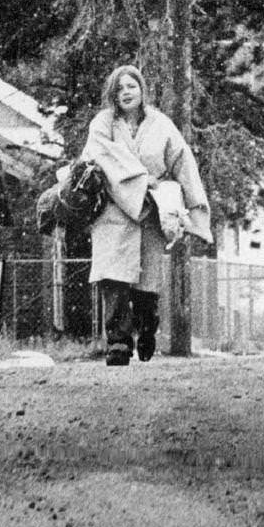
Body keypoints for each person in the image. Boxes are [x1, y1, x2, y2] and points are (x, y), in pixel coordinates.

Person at [82, 63, 211, 365]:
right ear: (112, 94)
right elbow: (99, 156)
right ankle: (118, 342)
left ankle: (147, 330)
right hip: (112, 209)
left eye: (132, 86)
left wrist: (195, 209)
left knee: (145, 282)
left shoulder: (161, 124)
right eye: (120, 88)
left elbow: (182, 163)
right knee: (113, 278)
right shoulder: (103, 123)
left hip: (150, 212)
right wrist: (140, 178)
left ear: (142, 90)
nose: (126, 93)